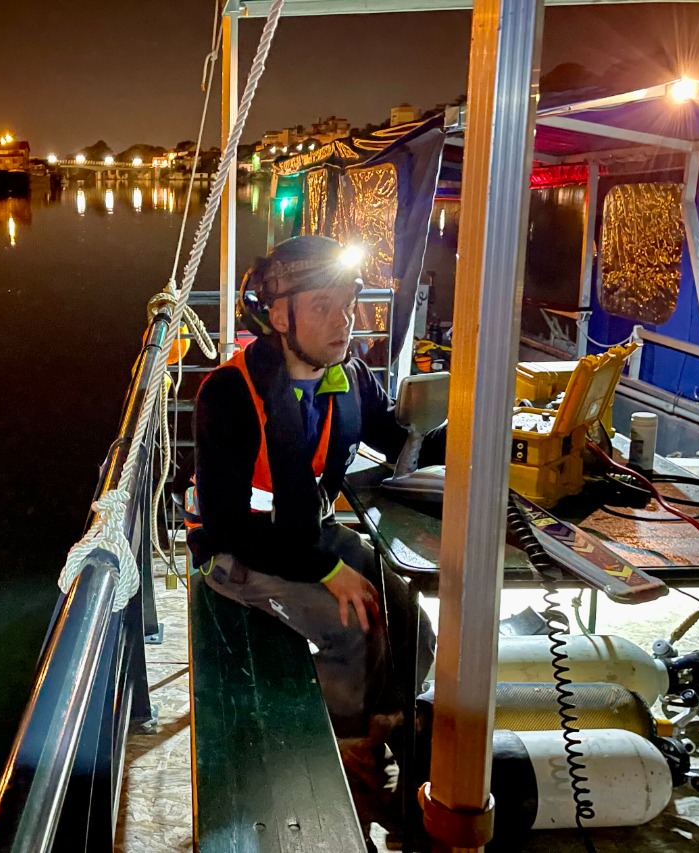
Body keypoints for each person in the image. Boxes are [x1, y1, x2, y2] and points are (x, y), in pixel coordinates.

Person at [187, 235, 444, 838]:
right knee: (348, 627)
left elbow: (401, 439)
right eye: (322, 307)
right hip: (237, 554)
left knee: (411, 624)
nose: (343, 321)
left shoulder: (347, 377)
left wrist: (493, 439)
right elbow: (225, 524)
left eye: (347, 304)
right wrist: (326, 571)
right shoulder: (230, 394)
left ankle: (388, 734)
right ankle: (349, 771)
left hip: (310, 535)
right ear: (280, 317)